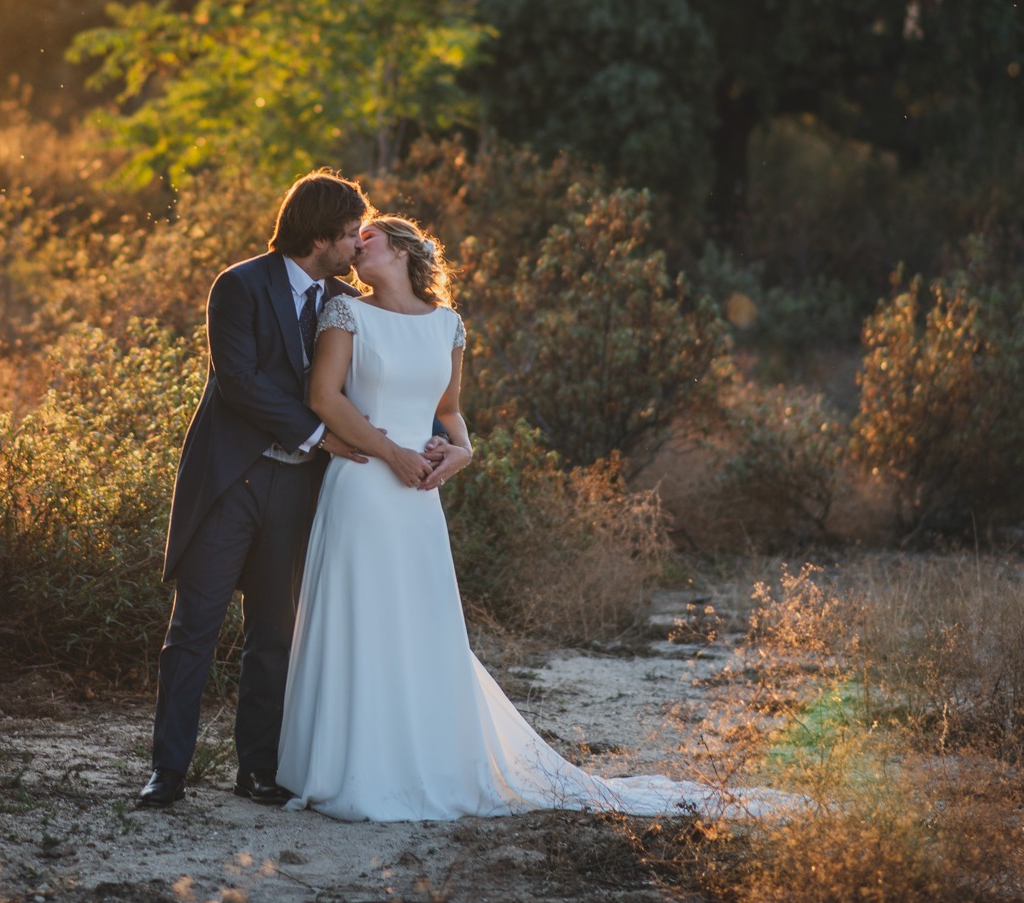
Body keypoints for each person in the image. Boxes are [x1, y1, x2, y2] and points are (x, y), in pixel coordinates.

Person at [276, 216, 798, 821]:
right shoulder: (346, 314)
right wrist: (392, 451)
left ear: (399, 250)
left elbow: (448, 411)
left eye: (365, 241)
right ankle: (345, 767)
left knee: (419, 625)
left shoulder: (449, 325)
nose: (352, 249)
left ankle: (419, 760)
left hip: (419, 496)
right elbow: (324, 399)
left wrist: (464, 451)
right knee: (358, 617)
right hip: (364, 484)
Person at [137, 170, 370, 809]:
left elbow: (376, 378)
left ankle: (257, 771)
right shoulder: (238, 286)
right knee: (195, 628)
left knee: (275, 634)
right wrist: (320, 433)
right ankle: (169, 772)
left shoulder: (346, 302)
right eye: (350, 234)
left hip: (298, 491)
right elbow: (237, 380)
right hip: (231, 480)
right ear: (320, 236)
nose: (358, 244)